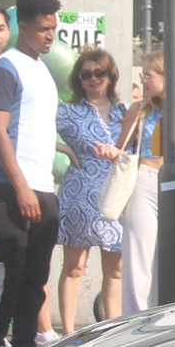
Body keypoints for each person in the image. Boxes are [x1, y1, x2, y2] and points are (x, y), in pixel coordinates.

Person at [0, 0, 63, 347]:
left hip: (44, 185)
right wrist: (22, 187)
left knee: (35, 275)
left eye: (53, 29)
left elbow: (34, 126)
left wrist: (68, 150)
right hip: (11, 186)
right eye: (43, 29)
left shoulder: (41, 69)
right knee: (8, 270)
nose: (49, 36)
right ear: (22, 26)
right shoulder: (4, 68)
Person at [53, 46, 129, 331]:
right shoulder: (68, 110)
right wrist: (66, 151)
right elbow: (36, 132)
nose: (94, 79)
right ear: (78, 79)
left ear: (111, 76)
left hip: (117, 193)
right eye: (87, 75)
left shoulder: (125, 112)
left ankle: (112, 330)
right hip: (81, 193)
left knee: (116, 269)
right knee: (74, 266)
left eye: (100, 73)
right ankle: (68, 331)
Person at [118, 48, 175, 314]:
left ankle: (169, 316)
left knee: (174, 260)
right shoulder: (139, 111)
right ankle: (136, 320)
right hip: (145, 180)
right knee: (140, 260)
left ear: (166, 75)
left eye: (148, 75)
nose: (144, 82)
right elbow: (122, 148)